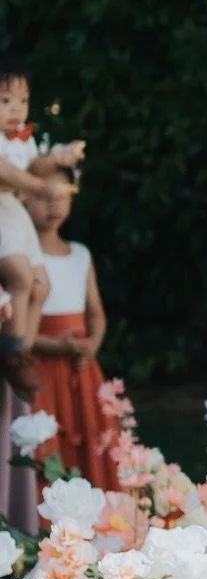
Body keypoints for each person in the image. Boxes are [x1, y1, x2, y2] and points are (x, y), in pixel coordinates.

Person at [0, 57, 85, 397]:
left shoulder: (20, 139)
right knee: (20, 276)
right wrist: (39, 188)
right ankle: (13, 350)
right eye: (6, 101)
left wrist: (59, 159)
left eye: (22, 100)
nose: (16, 109)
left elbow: (35, 165)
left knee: (40, 283)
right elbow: (8, 173)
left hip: (14, 212)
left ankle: (23, 347)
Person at [25, 177, 116, 486]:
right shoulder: (20, 259)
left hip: (80, 367)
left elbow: (96, 313)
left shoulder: (80, 254)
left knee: (88, 433)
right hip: (40, 369)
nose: (53, 205)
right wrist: (52, 345)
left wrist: (92, 343)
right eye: (43, 197)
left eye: (61, 197)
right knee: (44, 439)